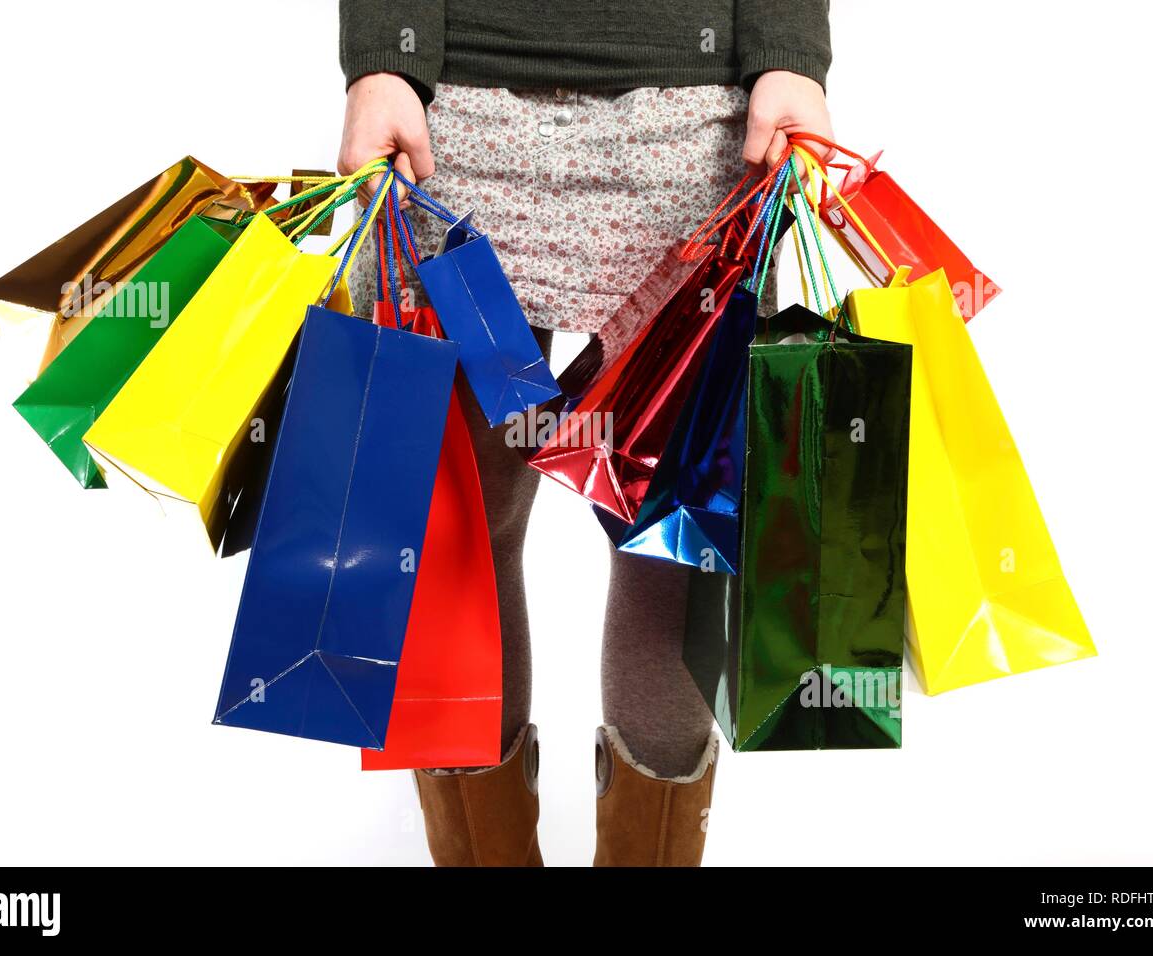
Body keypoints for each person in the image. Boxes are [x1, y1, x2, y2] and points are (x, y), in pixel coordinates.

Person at [338, 0, 835, 867]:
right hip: (457, 113)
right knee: (459, 531)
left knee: (672, 540)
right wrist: (385, 54)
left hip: (692, 116)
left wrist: (787, 49)